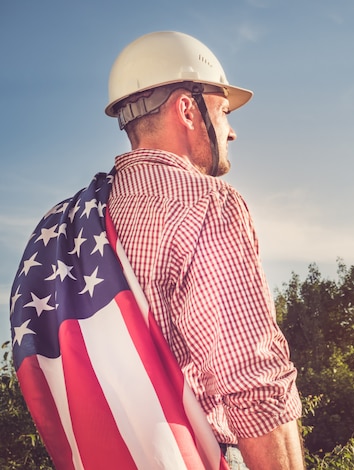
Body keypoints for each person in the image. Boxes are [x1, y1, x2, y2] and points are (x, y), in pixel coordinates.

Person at [11, 31, 304, 469]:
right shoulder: (206, 203)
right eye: (223, 111)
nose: (232, 131)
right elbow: (254, 382)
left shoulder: (59, 224)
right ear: (188, 109)